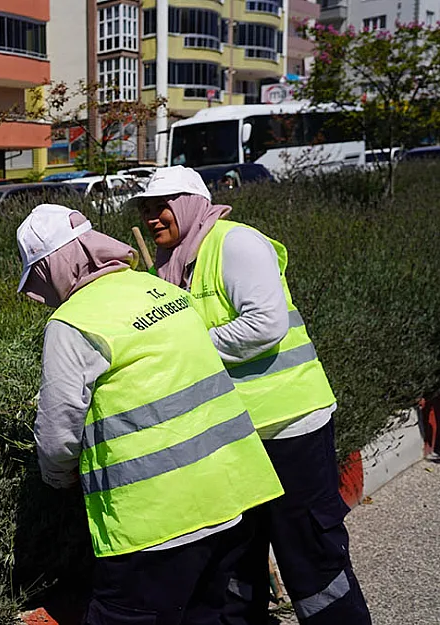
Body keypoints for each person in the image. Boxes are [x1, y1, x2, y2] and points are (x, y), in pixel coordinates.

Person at [20, 203, 284, 625]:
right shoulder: (160, 290)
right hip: (231, 496)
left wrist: (56, 477)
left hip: (155, 523)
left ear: (53, 267)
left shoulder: (72, 324)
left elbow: (57, 434)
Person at [129, 166, 372, 624]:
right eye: (145, 209)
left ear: (189, 203)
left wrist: (190, 349)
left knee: (311, 552)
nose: (151, 217)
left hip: (289, 427)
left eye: (159, 206)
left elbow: (265, 324)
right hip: (236, 435)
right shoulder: (175, 263)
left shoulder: (233, 243)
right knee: (237, 557)